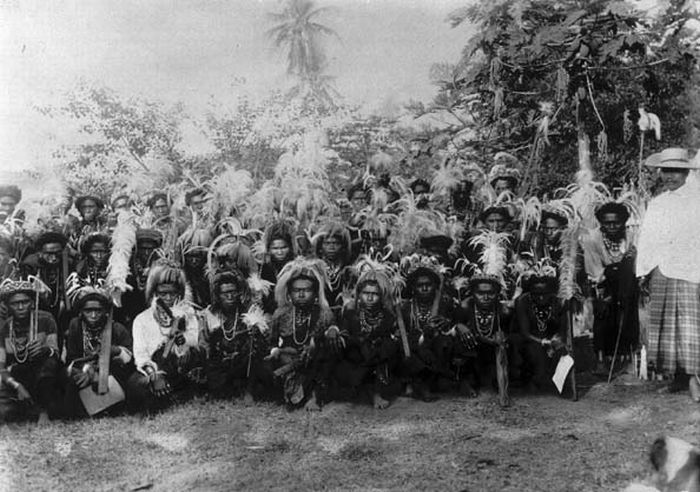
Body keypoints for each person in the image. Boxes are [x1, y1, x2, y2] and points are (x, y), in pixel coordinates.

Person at [637, 148, 700, 400]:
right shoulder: (658, 203)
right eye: (666, 171)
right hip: (662, 268)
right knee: (666, 324)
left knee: (690, 325)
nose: (670, 177)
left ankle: (696, 378)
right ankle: (676, 376)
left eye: (676, 171)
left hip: (691, 269)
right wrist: (644, 270)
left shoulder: (697, 200)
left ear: (686, 172)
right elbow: (648, 238)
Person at [126, 261, 202, 413]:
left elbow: (194, 339)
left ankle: (178, 393)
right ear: (154, 293)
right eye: (163, 293)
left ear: (179, 293)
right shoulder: (142, 319)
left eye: (172, 293)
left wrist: (184, 340)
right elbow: (141, 356)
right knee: (135, 385)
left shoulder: (188, 314)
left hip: (180, 366)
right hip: (155, 367)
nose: (168, 298)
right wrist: (155, 376)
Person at [266, 258, 340, 411]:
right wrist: (275, 351)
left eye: (306, 290)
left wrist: (332, 331)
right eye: (296, 290)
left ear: (315, 293)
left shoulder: (324, 314)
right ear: (289, 293)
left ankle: (314, 395)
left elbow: (332, 332)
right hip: (288, 359)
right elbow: (272, 342)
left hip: (314, 360)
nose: (301, 294)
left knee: (324, 357)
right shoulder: (280, 314)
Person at [63, 286, 134, 418]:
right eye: (88, 311)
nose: (93, 315)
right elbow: (71, 359)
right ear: (80, 312)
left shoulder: (117, 328)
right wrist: (86, 370)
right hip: (84, 374)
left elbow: (130, 361)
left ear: (106, 312)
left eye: (98, 311)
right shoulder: (75, 326)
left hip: (112, 376)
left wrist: (116, 351)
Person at [583, 202, 638, 369]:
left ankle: (625, 356)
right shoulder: (592, 238)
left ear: (624, 221)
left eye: (617, 222)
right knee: (604, 314)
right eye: (607, 223)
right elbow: (594, 269)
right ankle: (602, 357)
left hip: (628, 280)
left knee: (627, 314)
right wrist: (603, 288)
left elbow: (637, 265)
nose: (612, 226)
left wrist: (631, 259)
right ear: (601, 223)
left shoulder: (632, 236)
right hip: (603, 280)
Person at [199, 271, 269, 400]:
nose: (230, 296)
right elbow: (204, 344)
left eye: (233, 292)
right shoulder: (209, 315)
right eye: (225, 293)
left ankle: (248, 388)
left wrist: (255, 334)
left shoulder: (248, 312)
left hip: (242, 362)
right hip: (220, 362)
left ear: (239, 293)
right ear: (218, 295)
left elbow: (263, 341)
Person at [335, 268, 399, 409]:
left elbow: (391, 338)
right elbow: (344, 336)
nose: (370, 298)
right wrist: (359, 341)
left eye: (375, 294)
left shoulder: (388, 316)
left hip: (379, 361)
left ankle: (377, 393)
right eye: (366, 293)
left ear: (382, 296)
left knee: (386, 348)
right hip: (356, 358)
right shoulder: (351, 314)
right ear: (359, 294)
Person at [0, 279, 62, 423]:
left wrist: (45, 350)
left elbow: (56, 353)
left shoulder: (46, 319)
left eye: (25, 302)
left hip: (45, 377)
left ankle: (43, 410)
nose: (21, 307)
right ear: (8, 306)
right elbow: (1, 368)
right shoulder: (5, 328)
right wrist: (17, 385)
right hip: (19, 377)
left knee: (49, 364)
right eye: (15, 303)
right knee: (6, 414)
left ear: (32, 303)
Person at [397, 257, 455, 401]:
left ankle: (427, 383)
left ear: (435, 286)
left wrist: (446, 323)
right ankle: (418, 385)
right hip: (412, 350)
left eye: (428, 284)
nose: (424, 288)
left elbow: (454, 324)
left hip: (434, 350)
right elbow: (401, 334)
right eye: (419, 285)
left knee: (444, 342)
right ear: (413, 288)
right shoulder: (405, 308)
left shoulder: (445, 304)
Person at [455, 275, 511, 403]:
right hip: (472, 347)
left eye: (490, 293)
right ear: (472, 293)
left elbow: (511, 333)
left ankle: (498, 382)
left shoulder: (504, 311)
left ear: (497, 294)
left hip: (493, 349)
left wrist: (503, 339)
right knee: (461, 340)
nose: (485, 298)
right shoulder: (464, 307)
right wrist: (460, 326)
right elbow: (452, 326)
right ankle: (466, 381)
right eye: (480, 293)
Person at [513, 273, 567, 391]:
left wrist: (556, 339)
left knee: (562, 352)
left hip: (549, 337)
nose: (541, 298)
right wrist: (543, 342)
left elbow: (562, 329)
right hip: (528, 339)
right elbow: (524, 332)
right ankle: (532, 380)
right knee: (534, 351)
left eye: (545, 294)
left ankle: (554, 381)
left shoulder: (558, 302)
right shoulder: (522, 301)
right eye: (537, 294)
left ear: (551, 293)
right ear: (530, 292)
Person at [260, 220, 296, 314]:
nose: (280, 252)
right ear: (269, 249)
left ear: (290, 247)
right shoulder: (264, 269)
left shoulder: (296, 266)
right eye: (275, 248)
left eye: (284, 248)